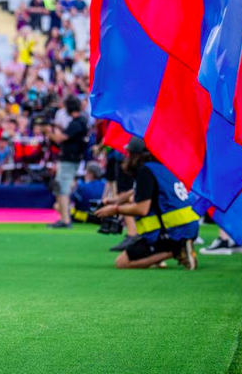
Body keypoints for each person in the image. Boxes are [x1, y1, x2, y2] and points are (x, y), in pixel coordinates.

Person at [95, 138, 199, 270]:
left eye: (129, 154)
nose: (126, 158)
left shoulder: (145, 171)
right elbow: (143, 190)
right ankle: (174, 250)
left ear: (138, 155)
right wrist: (117, 200)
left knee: (122, 262)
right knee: (140, 252)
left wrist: (115, 209)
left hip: (172, 232)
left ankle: (177, 251)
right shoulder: (161, 167)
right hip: (187, 226)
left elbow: (142, 209)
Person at [45, 95, 89, 228]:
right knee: (63, 187)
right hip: (73, 159)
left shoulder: (76, 123)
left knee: (62, 188)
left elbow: (60, 138)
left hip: (69, 160)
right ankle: (65, 216)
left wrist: (48, 132)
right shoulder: (80, 121)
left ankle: (65, 219)